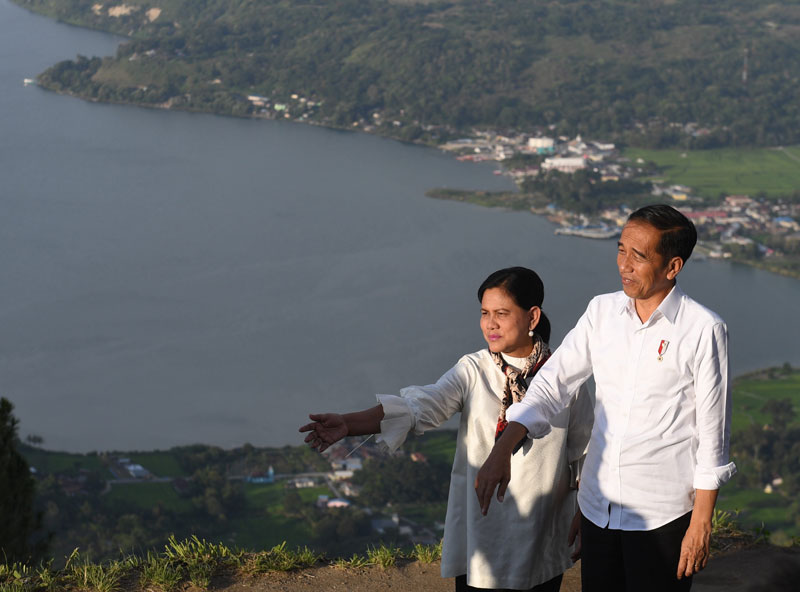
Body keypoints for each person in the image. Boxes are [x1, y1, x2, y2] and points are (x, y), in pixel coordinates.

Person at [476, 206, 737, 592]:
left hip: (661, 515)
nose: (624, 265)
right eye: (621, 250)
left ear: (672, 266)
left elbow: (713, 436)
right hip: (598, 510)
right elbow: (552, 383)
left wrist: (700, 525)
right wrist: (503, 447)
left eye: (639, 255)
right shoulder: (602, 312)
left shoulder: (703, 329)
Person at [300, 267, 593, 591]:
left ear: (532, 316)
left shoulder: (563, 378)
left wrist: (585, 512)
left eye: (501, 313)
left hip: (541, 533)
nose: (490, 324)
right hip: (483, 530)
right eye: (484, 313)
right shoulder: (474, 369)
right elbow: (419, 405)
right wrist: (348, 423)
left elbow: (585, 452)